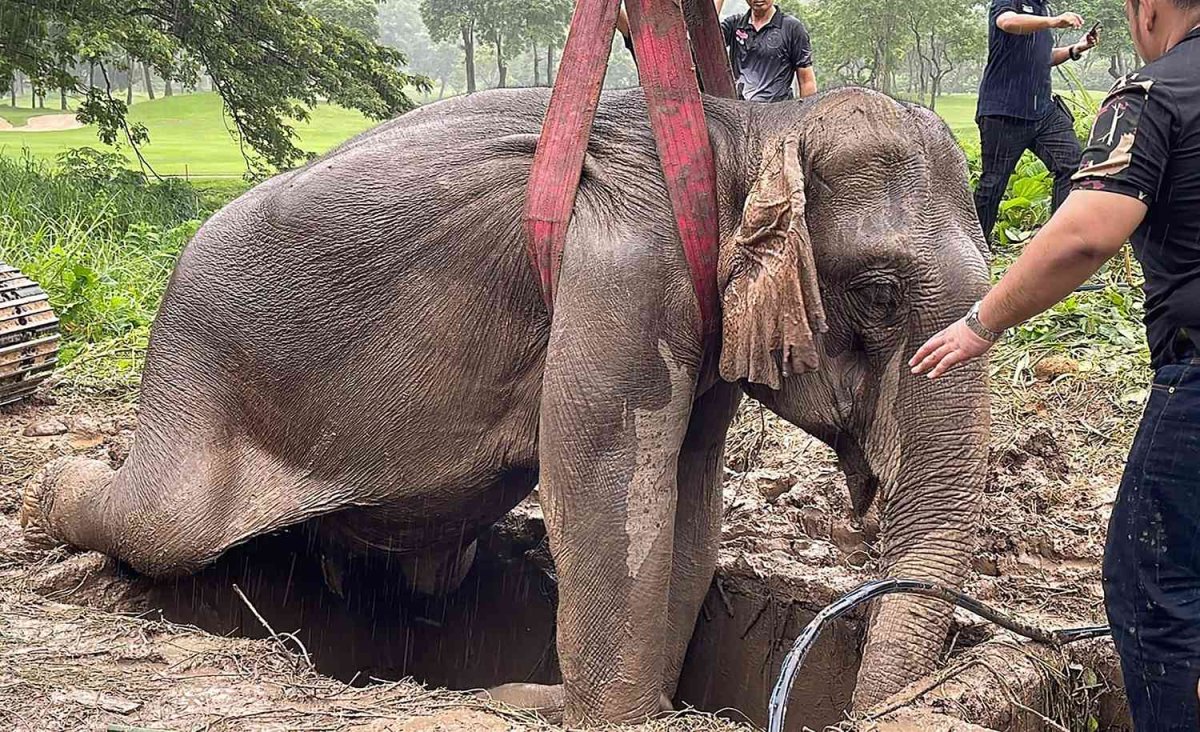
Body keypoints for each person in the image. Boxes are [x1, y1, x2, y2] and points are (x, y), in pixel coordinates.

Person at [910, 0, 1200, 727]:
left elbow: (1085, 234)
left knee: (1151, 585)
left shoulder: (1154, 93)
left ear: (1150, 8)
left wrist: (981, 321)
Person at [974, 0, 1100, 242]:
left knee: (1072, 166)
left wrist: (1077, 48)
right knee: (993, 184)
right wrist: (1054, 22)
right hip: (1004, 112)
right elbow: (1007, 22)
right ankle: (975, 248)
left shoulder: (1042, 9)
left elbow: (1043, 58)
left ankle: (1057, 243)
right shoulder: (1011, 3)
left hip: (1043, 112)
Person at [615, 0, 816, 102]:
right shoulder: (735, 24)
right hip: (740, 113)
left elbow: (806, 80)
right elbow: (702, 33)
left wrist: (806, 121)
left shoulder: (791, 28)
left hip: (775, 114)